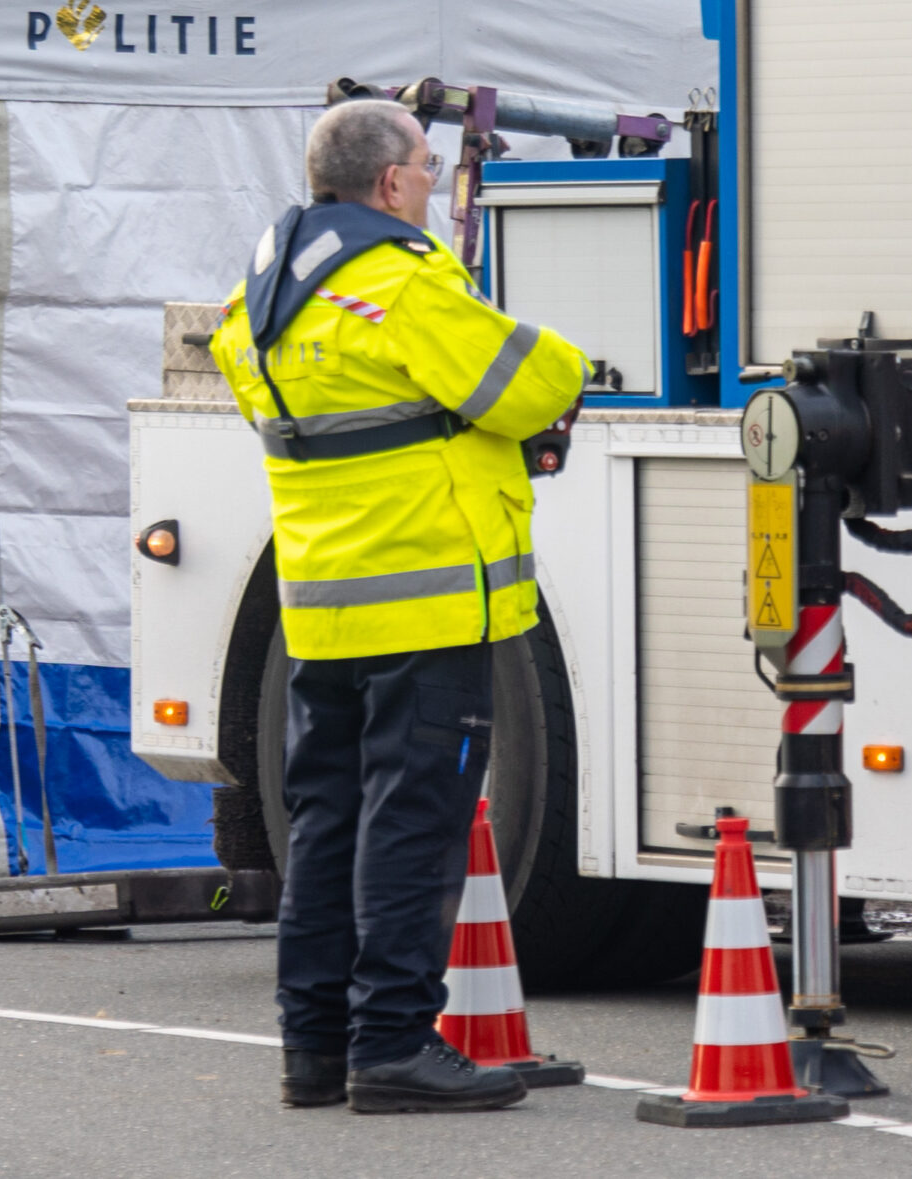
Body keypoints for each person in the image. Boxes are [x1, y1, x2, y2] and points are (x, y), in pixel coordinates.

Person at [209, 99, 587, 1114]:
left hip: (326, 609)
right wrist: (555, 373)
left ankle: (314, 1052)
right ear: (387, 184)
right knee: (413, 826)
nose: (431, 179)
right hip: (427, 605)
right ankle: (391, 1046)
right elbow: (526, 381)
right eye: (426, 164)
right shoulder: (402, 281)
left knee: (325, 821)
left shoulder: (261, 298)